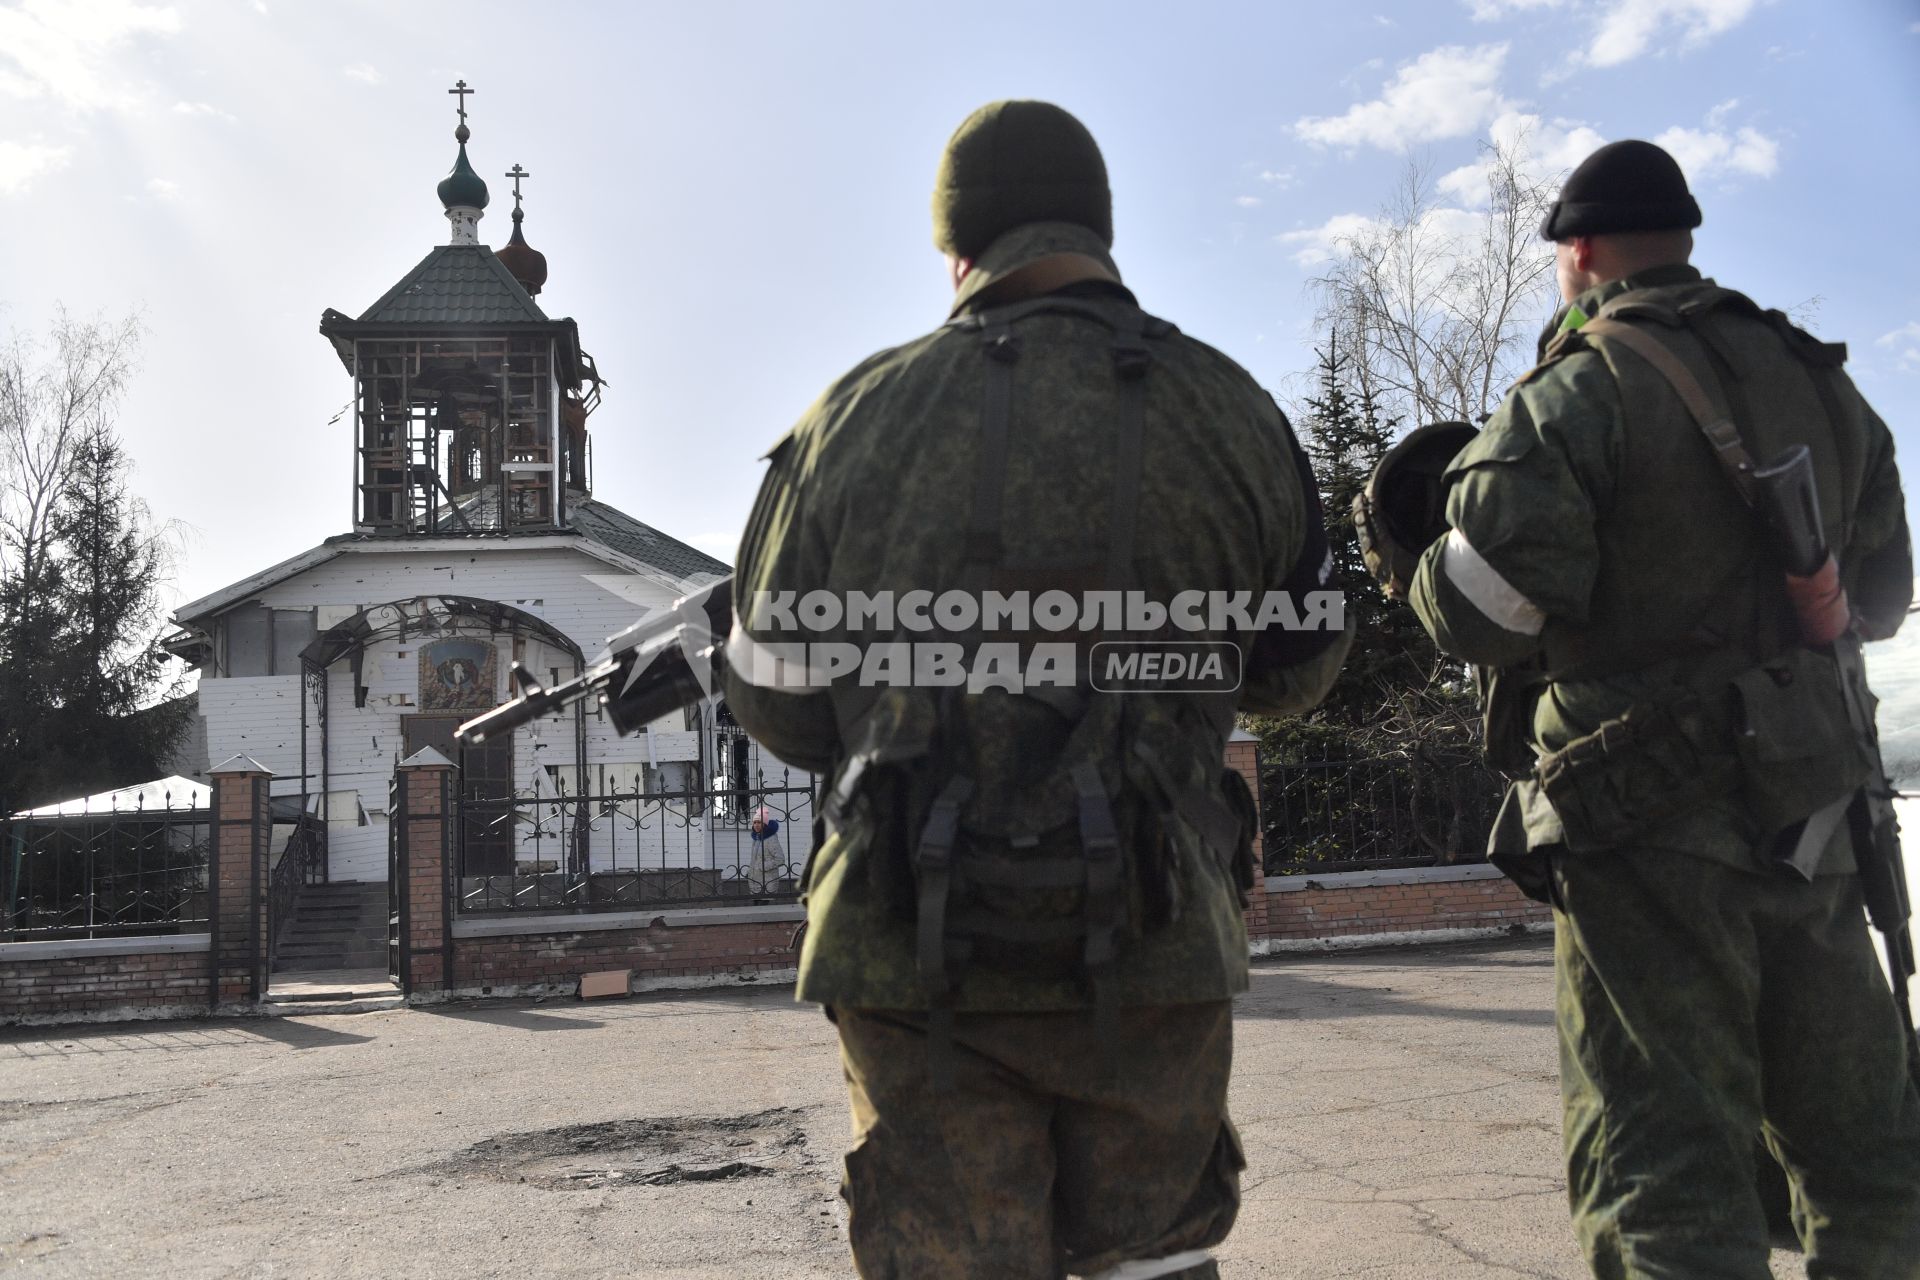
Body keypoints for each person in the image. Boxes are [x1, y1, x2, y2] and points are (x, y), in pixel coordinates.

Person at [722, 100, 1350, 1279]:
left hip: (916, 946)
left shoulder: (849, 422)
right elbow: (1299, 672)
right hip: (1154, 934)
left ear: (956, 249)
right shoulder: (1230, 412)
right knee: (1157, 1262)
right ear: (1099, 229)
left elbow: (779, 704)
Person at [1406, 138, 1920, 1276]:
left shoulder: (1579, 392)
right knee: (1870, 1157)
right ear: (1683, 240)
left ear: (1576, 253)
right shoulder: (1822, 383)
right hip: (1819, 817)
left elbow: (1484, 612)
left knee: (1666, 1168)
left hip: (1645, 833)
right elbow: (1882, 593)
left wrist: (1417, 556)